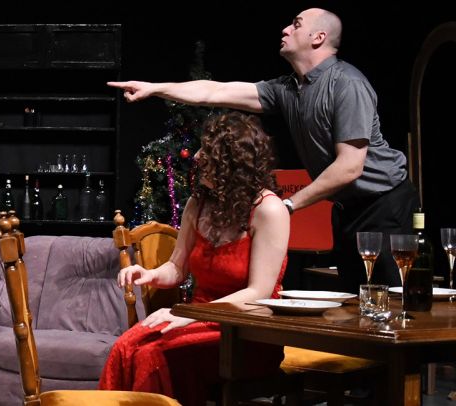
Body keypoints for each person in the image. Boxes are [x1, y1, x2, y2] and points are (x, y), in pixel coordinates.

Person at [107, 8, 413, 293]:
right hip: (347, 209)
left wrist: (288, 204)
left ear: (318, 37)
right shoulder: (287, 89)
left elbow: (350, 166)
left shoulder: (346, 84)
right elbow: (215, 91)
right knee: (357, 298)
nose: (285, 29)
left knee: (390, 300)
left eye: (296, 25)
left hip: (383, 203)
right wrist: (155, 88)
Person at [99, 112, 290, 405]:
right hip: (196, 318)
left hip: (248, 332)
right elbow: (177, 267)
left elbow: (258, 293)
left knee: (154, 355)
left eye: (207, 151)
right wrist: (150, 274)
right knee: (125, 347)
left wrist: (189, 314)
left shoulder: (268, 210)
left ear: (233, 162)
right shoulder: (198, 203)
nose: (198, 156)